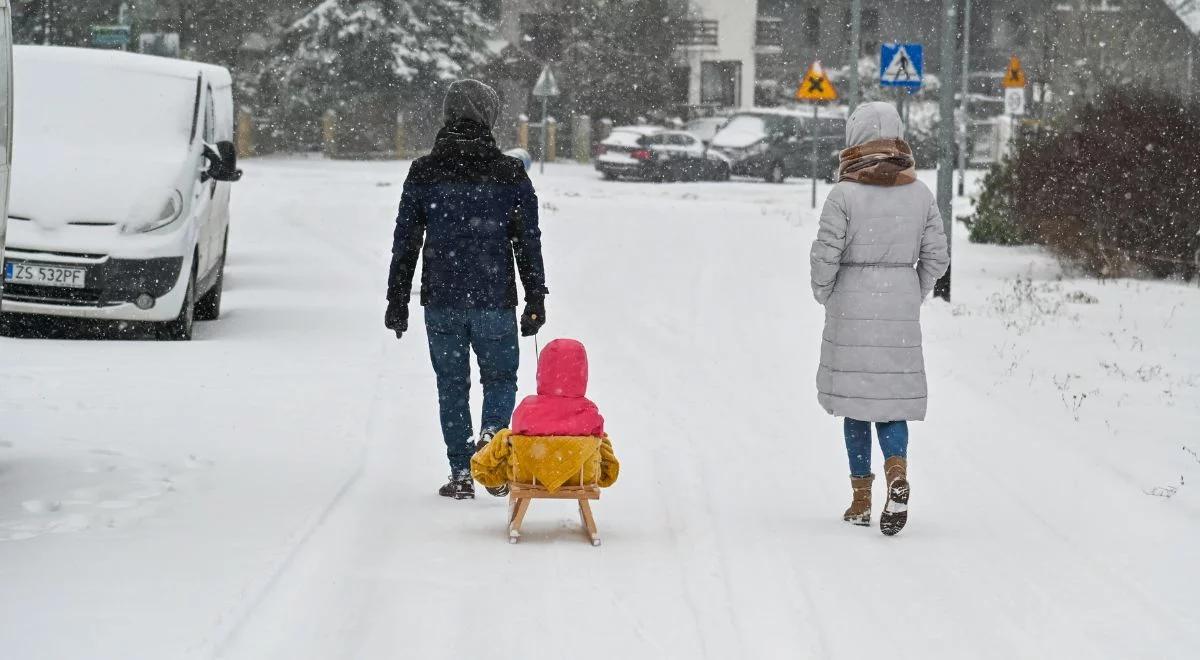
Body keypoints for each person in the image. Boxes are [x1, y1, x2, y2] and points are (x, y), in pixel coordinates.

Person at [385, 79, 548, 500]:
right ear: (490, 117)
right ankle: (492, 443)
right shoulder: (510, 174)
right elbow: (527, 241)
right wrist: (535, 298)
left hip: (441, 301)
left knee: (451, 385)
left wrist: (397, 300)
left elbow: (406, 241)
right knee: (500, 378)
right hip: (494, 299)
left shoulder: (423, 172)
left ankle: (461, 474)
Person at [809, 102, 949, 536]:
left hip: (851, 305)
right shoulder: (920, 194)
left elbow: (825, 256)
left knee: (855, 404)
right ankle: (897, 475)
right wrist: (914, 291)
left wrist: (826, 293)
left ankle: (860, 499)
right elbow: (937, 258)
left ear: (855, 139)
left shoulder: (844, 195)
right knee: (890, 404)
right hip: (900, 307)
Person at [471, 338, 619, 494]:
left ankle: (492, 470)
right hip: (580, 477)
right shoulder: (589, 411)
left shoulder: (528, 408)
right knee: (600, 440)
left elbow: (517, 431)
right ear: (583, 372)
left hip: (528, 475)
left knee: (506, 437)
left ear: (542, 370)